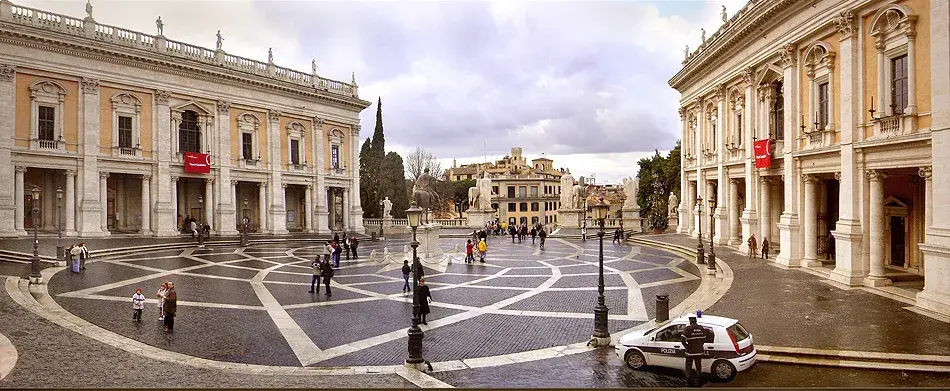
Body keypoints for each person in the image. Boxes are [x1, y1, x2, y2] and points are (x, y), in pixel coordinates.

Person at [680, 315, 711, 386]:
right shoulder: (701, 328)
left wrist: (686, 346)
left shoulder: (688, 329)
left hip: (690, 351)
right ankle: (699, 377)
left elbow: (682, 339)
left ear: (690, 321)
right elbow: (705, 338)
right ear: (696, 321)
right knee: (698, 364)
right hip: (699, 351)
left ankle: (689, 380)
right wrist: (700, 344)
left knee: (688, 365)